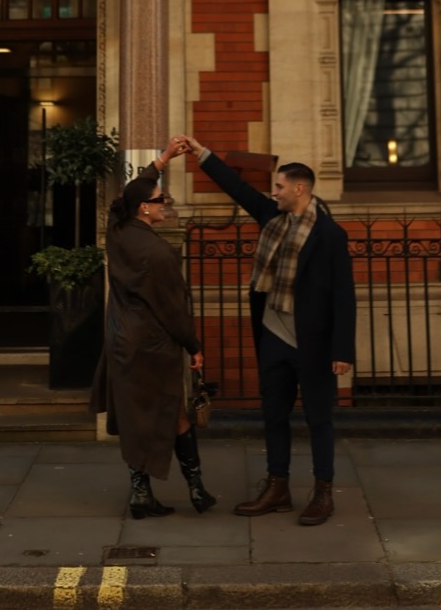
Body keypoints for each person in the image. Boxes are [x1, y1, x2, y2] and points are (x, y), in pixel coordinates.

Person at [170, 134, 356, 527]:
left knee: (319, 419)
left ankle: (323, 492)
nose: (274, 192)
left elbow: (344, 296)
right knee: (273, 415)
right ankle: (278, 487)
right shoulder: (273, 218)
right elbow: (237, 188)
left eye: (280, 186)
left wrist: (342, 351)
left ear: (299, 189)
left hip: (313, 343)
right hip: (273, 335)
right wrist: (202, 153)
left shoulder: (329, 235)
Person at [90, 143, 216, 519]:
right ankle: (196, 488)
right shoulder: (160, 254)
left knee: (136, 418)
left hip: (121, 341)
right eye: (161, 199)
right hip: (153, 345)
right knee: (174, 413)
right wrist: (193, 346)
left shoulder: (117, 232)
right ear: (145, 207)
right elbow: (173, 310)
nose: (166, 203)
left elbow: (121, 201)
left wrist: (162, 160)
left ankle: (142, 493)